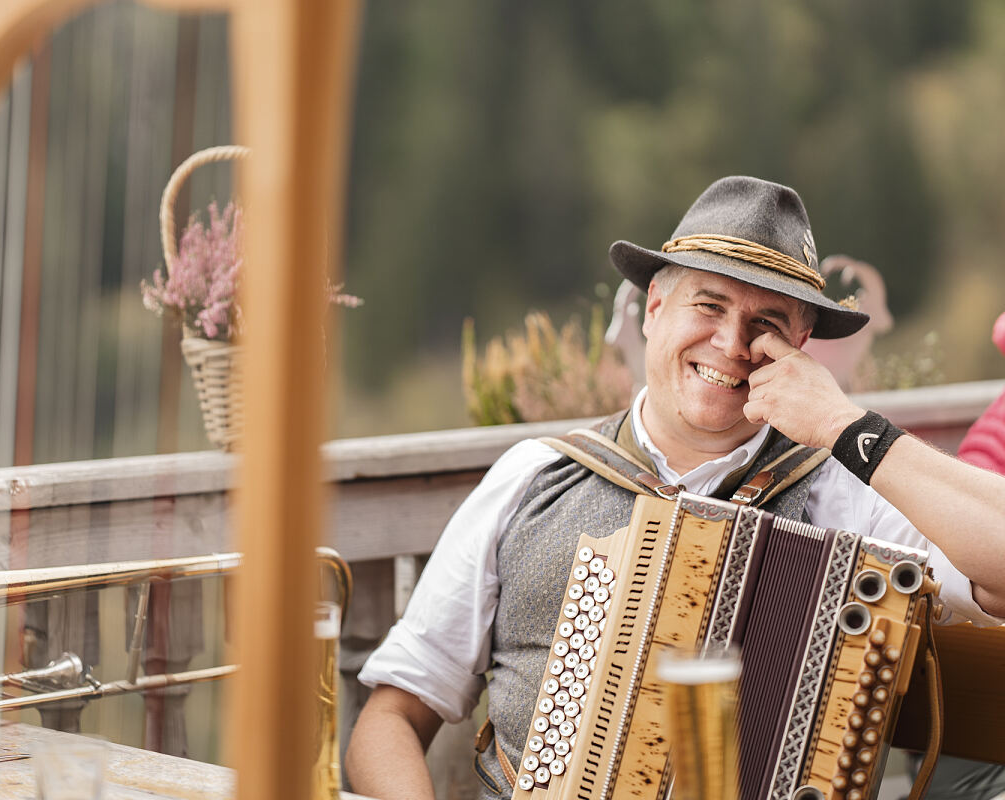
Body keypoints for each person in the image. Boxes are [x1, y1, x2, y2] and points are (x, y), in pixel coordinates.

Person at [344, 176, 1005, 800]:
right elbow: (392, 718)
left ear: (802, 346)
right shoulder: (531, 478)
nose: (731, 343)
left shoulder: (843, 494)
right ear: (654, 309)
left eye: (767, 325)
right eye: (708, 305)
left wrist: (844, 425)